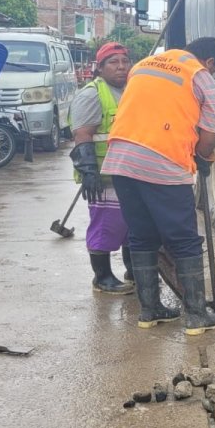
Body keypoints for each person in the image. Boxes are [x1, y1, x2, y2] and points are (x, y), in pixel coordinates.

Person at [102, 37, 215, 336]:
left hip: (120, 159)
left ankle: (150, 310)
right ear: (210, 62)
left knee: (142, 236)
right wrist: (203, 157)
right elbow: (209, 136)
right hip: (163, 160)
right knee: (184, 238)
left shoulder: (144, 65)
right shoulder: (200, 75)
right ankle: (196, 315)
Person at [68, 42, 136, 295]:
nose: (120, 67)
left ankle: (133, 270)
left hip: (129, 173)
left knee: (132, 225)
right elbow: (83, 135)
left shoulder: (131, 90)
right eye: (113, 62)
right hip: (104, 176)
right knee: (107, 226)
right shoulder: (91, 94)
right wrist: (89, 172)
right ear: (100, 68)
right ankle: (102, 276)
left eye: (124, 62)